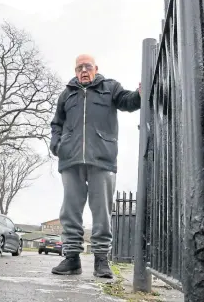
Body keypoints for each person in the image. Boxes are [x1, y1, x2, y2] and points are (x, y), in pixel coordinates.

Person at [50, 54, 141, 278]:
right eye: (79, 67)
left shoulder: (110, 87)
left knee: (101, 212)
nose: (83, 70)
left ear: (95, 68)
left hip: (102, 158)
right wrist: (57, 145)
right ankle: (71, 258)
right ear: (75, 71)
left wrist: (140, 93)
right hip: (70, 160)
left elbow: (128, 102)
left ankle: (101, 260)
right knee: (70, 211)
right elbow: (56, 123)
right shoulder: (66, 94)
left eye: (87, 66)